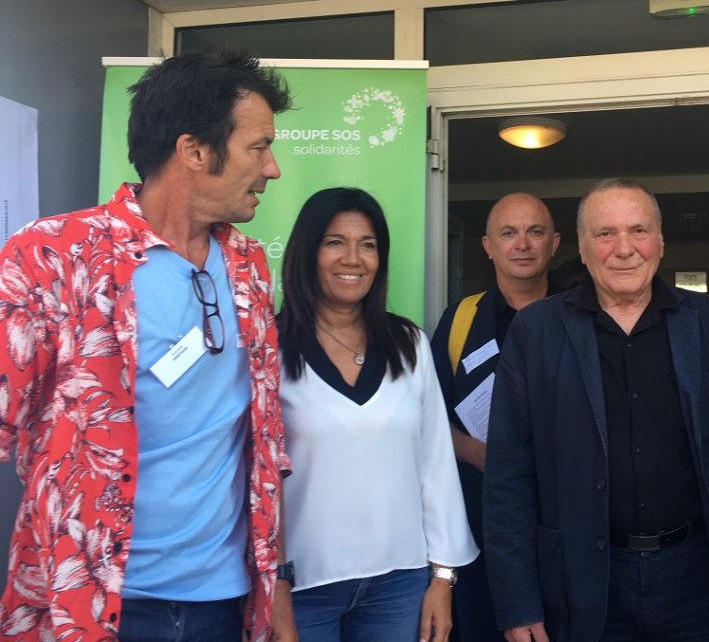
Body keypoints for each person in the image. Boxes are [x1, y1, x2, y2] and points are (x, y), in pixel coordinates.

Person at [0, 50, 294, 641]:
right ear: (195, 151)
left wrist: (277, 587)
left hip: (224, 601)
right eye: (258, 147)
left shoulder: (249, 268)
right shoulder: (54, 257)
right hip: (94, 600)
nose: (273, 168)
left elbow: (261, 449)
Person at [483, 177, 709, 642]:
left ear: (661, 242)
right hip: (583, 578)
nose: (624, 248)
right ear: (582, 246)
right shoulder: (536, 332)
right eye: (605, 233)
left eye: (638, 230)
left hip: (697, 575)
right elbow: (508, 476)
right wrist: (517, 602)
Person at [276, 187, 478, 642]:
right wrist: (272, 582)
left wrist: (442, 578)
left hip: (400, 583)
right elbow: (255, 477)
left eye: (367, 245)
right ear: (307, 253)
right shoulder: (269, 347)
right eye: (335, 242)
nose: (354, 258)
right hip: (301, 587)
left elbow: (436, 463)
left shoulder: (409, 343)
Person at [430, 192, 560, 641]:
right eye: (509, 233)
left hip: (564, 531)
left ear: (555, 243)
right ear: (488, 246)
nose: (522, 243)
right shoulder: (461, 320)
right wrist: (479, 453)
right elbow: (428, 423)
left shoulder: (584, 315)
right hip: (478, 532)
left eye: (534, 232)